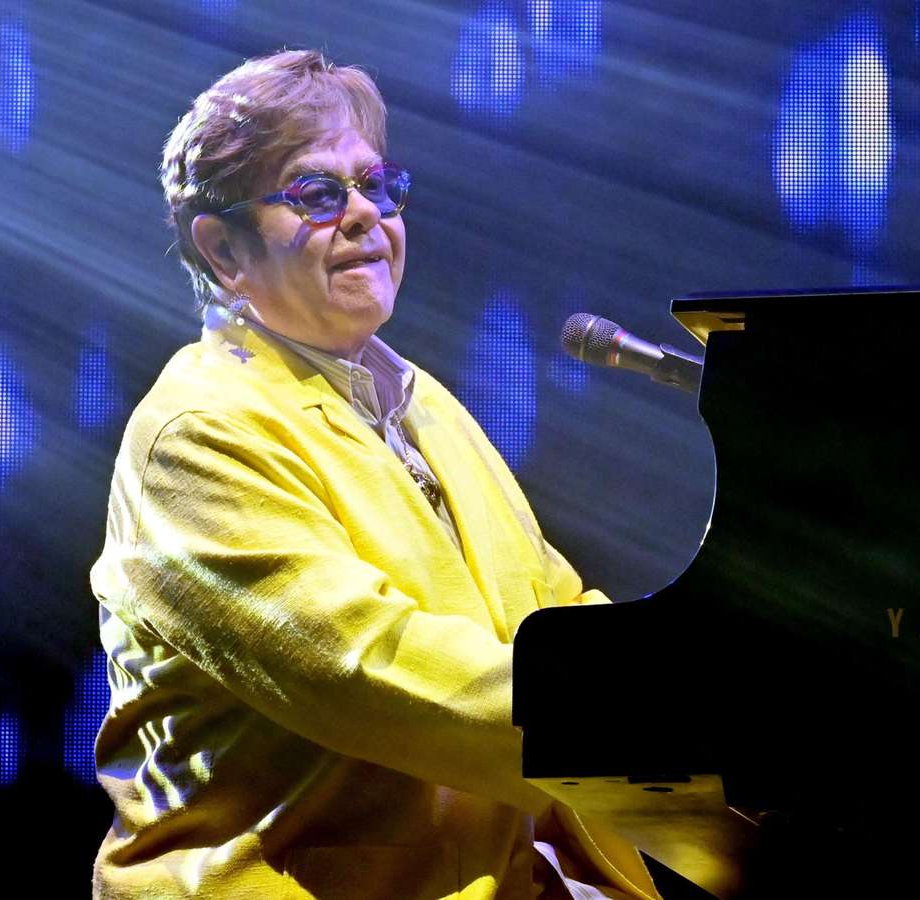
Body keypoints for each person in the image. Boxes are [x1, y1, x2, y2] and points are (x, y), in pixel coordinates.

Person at [90, 50, 661, 900]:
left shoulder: (421, 401)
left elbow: (552, 606)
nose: (364, 214)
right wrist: (665, 714)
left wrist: (703, 674)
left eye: (376, 186)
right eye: (318, 194)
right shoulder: (197, 435)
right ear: (224, 248)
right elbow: (367, 668)